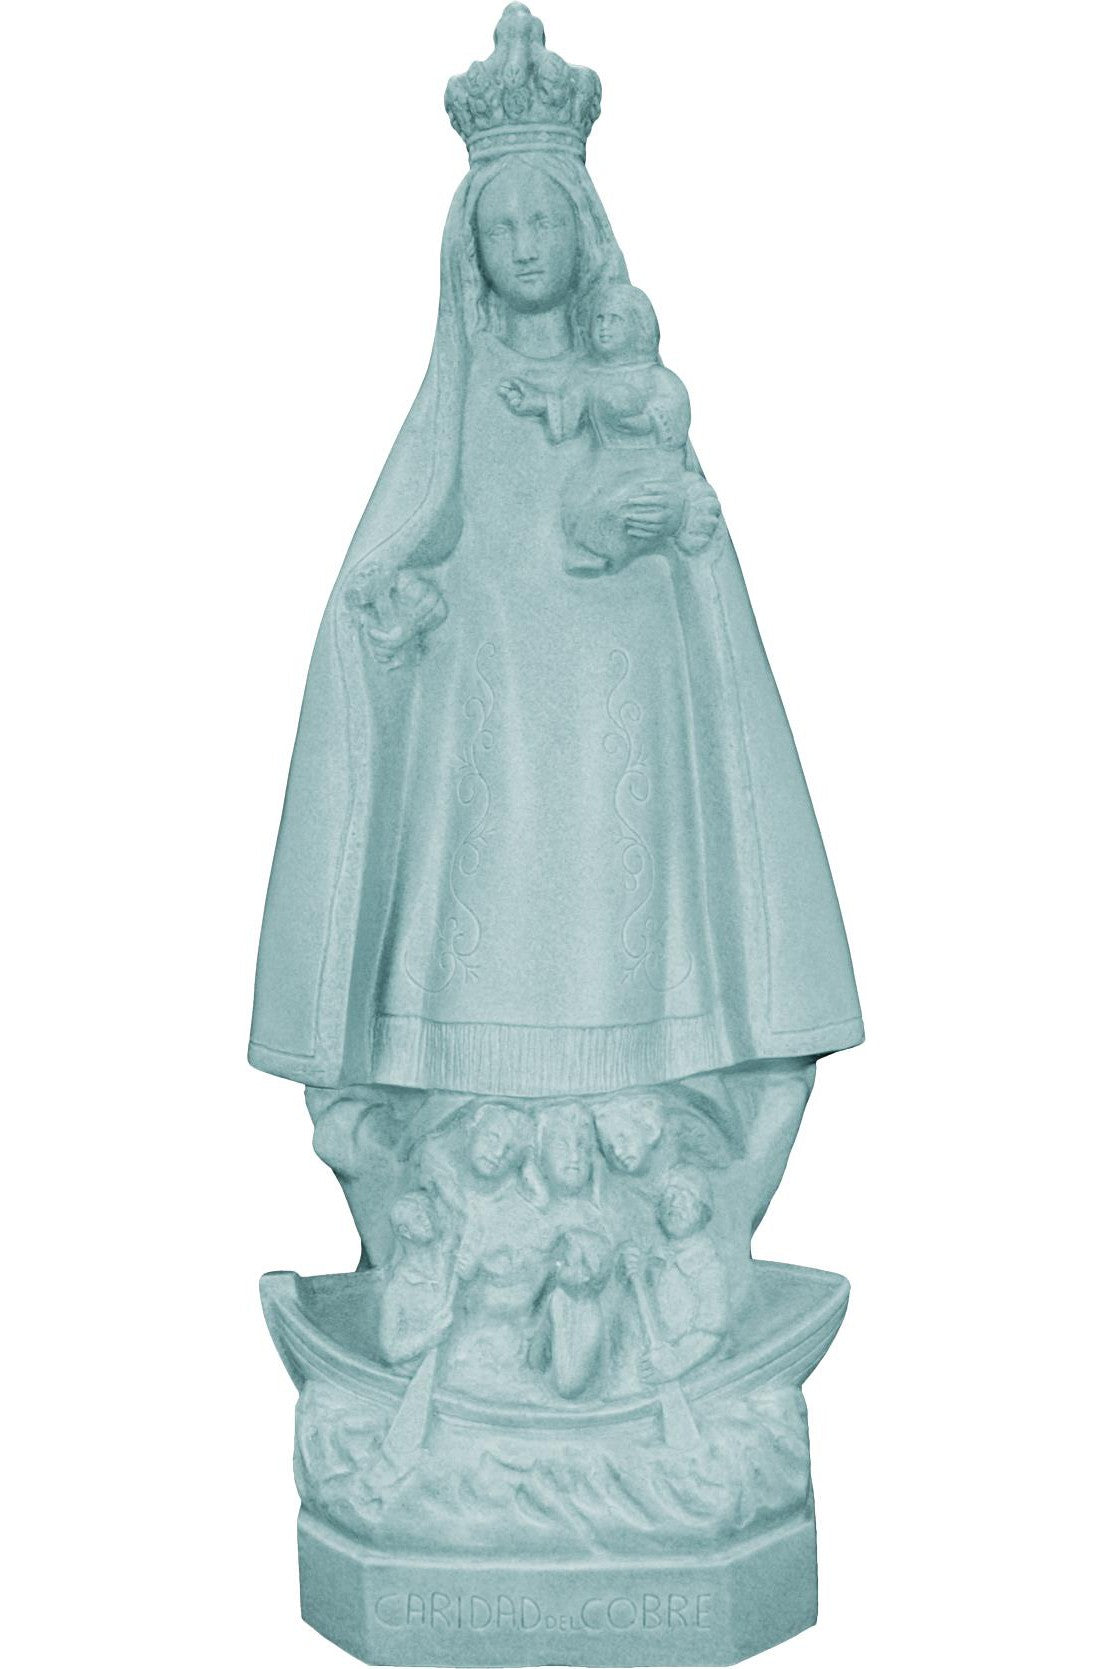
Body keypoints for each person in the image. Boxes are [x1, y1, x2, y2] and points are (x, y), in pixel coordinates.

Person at [250, 10, 862, 1236]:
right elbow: (397, 552)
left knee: (622, 919)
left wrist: (663, 533)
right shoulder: (456, 401)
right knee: (487, 923)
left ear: (583, 234)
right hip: (489, 734)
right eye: (503, 227)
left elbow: (693, 547)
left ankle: (647, 1164)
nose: (526, 245)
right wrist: (391, 613)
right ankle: (462, 1178)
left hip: (620, 713)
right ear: (468, 252)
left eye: (544, 222)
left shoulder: (636, 395)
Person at [497, 281, 720, 572]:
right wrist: (536, 402)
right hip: (603, 465)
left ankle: (619, 551)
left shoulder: (656, 378)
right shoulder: (588, 376)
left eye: (615, 319)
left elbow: (673, 419)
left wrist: (643, 422)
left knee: (631, 507)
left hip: (646, 465)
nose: (604, 327)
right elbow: (567, 411)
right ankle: (591, 551)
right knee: (579, 504)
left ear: (638, 327)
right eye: (599, 319)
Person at [622, 1165, 727, 1385]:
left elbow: (711, 1331)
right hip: (649, 1359)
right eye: (668, 1197)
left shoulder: (708, 1266)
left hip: (691, 1371)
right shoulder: (656, 1258)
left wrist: (677, 1362)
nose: (674, 1204)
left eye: (684, 1196)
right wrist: (635, 1270)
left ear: (703, 1209)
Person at [377, 1191, 457, 1366]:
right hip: (425, 1368)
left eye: (425, 1214)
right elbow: (390, 1352)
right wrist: (430, 1335)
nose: (427, 1220)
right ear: (405, 1232)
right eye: (418, 1218)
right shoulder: (397, 1289)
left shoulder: (450, 1258)